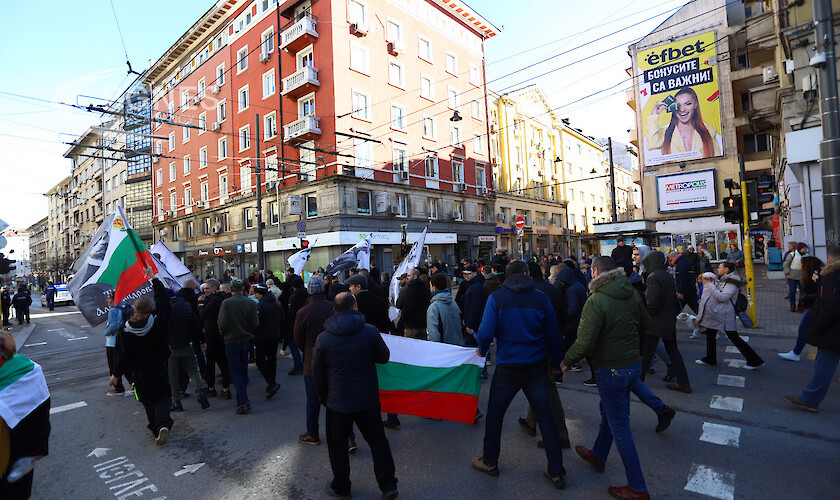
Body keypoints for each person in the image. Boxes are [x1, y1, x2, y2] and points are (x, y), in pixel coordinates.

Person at [561, 257, 652, 500]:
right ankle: (599, 455)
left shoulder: (597, 299)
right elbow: (646, 323)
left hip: (611, 368)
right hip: (632, 364)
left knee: (620, 427)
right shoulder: (631, 293)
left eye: (591, 270)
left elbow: (585, 341)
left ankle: (637, 487)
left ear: (596, 272)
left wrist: (566, 362)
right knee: (609, 413)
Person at [473, 261, 567, 490]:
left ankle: (490, 461)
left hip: (508, 367)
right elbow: (554, 334)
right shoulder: (541, 298)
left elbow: (485, 332)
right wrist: (556, 363)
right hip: (535, 366)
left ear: (504, 276)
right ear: (526, 274)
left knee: (496, 415)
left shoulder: (497, 298)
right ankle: (556, 471)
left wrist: (482, 350)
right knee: (546, 417)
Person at [312, 292, 398, 500]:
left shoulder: (323, 338)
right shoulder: (370, 331)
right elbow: (384, 357)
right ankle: (388, 485)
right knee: (378, 440)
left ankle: (342, 487)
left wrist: (324, 398)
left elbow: (317, 373)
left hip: (338, 402)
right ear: (355, 307)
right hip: (367, 398)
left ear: (334, 310)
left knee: (337, 446)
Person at [112, 268, 174, 445]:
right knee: (163, 397)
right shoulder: (158, 322)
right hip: (159, 368)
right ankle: (163, 423)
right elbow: (165, 304)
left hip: (138, 374)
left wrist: (116, 374)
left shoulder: (125, 329)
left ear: (134, 309)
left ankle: (155, 427)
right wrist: (154, 279)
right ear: (151, 308)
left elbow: (121, 354)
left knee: (147, 401)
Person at [518, 262, 571, 447]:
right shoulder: (553, 290)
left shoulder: (531, 294)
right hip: (550, 346)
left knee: (547, 389)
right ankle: (531, 422)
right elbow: (563, 319)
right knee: (540, 386)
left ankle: (560, 435)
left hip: (536, 349)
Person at [782, 246, 840, 412]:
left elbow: (830, 308)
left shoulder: (831, 279)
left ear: (831, 260)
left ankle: (810, 399)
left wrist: (816, 330)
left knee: (824, 366)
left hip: (833, 331)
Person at [0, 332, 51, 499]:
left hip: (15, 456)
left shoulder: (26, 370)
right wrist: (38, 448)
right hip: (23, 453)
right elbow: (43, 409)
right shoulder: (31, 369)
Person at [695, 263, 764, 369]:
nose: (717, 269)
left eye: (720, 267)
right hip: (718, 313)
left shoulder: (732, 282)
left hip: (725, 314)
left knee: (733, 337)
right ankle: (710, 358)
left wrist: (711, 285)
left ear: (726, 269)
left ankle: (755, 360)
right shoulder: (723, 279)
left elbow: (722, 297)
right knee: (710, 334)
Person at [294, 275, 335, 446]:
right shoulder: (333, 307)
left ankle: (313, 433)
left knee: (313, 400)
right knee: (337, 399)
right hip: (333, 359)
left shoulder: (303, 312)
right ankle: (348, 437)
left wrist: (310, 350)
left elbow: (297, 340)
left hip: (312, 361)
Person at [641, 251, 691, 393]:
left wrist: (646, 315)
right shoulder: (667, 275)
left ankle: (638, 381)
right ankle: (683, 382)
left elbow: (652, 302)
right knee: (673, 352)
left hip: (655, 321)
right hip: (668, 320)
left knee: (647, 353)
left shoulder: (653, 277)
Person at [218, 279, 259, 414]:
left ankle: (243, 401)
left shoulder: (227, 303)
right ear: (243, 289)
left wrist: (225, 334)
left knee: (235, 371)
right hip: (245, 339)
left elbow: (222, 324)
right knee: (243, 370)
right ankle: (241, 397)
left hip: (231, 340)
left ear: (230, 290)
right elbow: (255, 324)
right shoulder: (251, 303)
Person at [646, 86, 722, 159]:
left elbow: (717, 160)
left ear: (695, 104)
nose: (682, 109)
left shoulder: (709, 131)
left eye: (688, 104)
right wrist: (654, 114)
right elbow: (652, 145)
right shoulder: (665, 133)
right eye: (678, 105)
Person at [166, 292, 209, 412]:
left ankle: (176, 402)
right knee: (193, 370)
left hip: (172, 347)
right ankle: (200, 392)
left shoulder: (166, 310)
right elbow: (196, 325)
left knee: (173, 375)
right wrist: (201, 340)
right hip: (187, 344)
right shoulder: (187, 306)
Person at [779, 256, 824, 361]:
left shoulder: (815, 276)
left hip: (814, 307)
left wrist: (806, 298)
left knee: (804, 329)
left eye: (801, 263)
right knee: (811, 330)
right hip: (812, 307)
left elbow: (820, 293)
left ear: (807, 265)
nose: (799, 265)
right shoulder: (810, 275)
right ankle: (797, 352)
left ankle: (796, 353)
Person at [557, 267, 590, 383]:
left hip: (572, 323)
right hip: (578, 321)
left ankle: (559, 373)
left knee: (566, 347)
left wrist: (564, 317)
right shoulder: (578, 286)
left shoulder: (572, 290)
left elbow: (573, 308)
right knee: (577, 346)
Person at [200, 279, 232, 400]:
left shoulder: (215, 300)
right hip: (220, 335)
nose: (205, 291)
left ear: (214, 288)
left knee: (213, 363)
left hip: (213, 336)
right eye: (204, 288)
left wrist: (201, 303)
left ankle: (212, 388)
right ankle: (225, 388)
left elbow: (204, 314)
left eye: (207, 288)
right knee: (222, 363)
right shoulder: (221, 298)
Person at [253, 284, 283, 399]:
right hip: (274, 336)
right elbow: (282, 319)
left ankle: (271, 383)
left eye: (256, 293)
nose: (255, 295)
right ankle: (272, 381)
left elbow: (257, 323)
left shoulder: (261, 306)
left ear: (260, 293)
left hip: (262, 337)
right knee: (272, 360)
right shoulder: (276, 303)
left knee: (260, 361)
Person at [104, 292, 131, 396]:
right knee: (125, 364)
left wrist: (105, 332)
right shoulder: (126, 308)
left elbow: (113, 327)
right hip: (123, 340)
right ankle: (133, 383)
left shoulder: (113, 310)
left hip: (112, 342)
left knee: (113, 365)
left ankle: (118, 388)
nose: (107, 300)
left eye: (109, 298)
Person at [426, 274, 463, 345]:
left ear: (434, 288)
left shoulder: (434, 307)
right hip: (457, 344)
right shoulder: (452, 302)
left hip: (444, 348)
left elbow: (434, 333)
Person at [396, 268, 430, 340]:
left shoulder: (409, 290)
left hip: (410, 325)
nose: (407, 277)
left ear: (415, 276)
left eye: (409, 275)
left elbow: (405, 307)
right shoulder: (424, 287)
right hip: (422, 324)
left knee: (409, 346)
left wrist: (402, 321)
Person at [285, 278, 308, 376]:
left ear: (293, 286)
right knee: (306, 346)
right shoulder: (307, 295)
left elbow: (291, 314)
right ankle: (304, 364)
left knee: (293, 345)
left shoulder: (293, 297)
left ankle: (298, 366)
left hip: (294, 324)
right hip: (306, 323)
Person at [460, 266, 486, 345]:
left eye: (468, 274)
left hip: (473, 326)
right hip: (473, 324)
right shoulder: (473, 285)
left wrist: (470, 325)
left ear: (475, 273)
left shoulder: (476, 287)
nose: (466, 276)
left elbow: (475, 307)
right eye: (464, 274)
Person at [782, 241, 801, 312]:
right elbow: (785, 263)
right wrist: (787, 273)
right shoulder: (789, 254)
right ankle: (792, 305)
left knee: (801, 291)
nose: (788, 247)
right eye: (788, 245)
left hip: (799, 275)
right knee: (792, 291)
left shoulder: (800, 254)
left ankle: (800, 304)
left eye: (790, 245)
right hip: (792, 275)